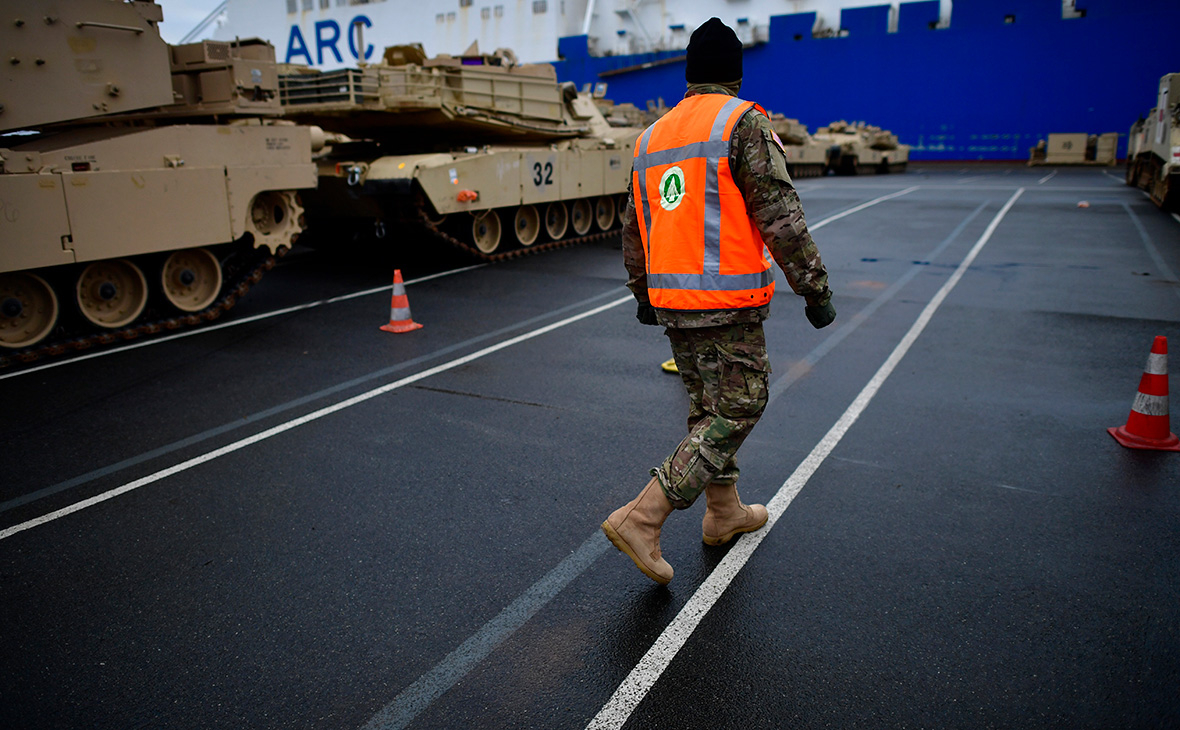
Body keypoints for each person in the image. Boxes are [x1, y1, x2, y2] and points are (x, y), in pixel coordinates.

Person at [602, 17, 836, 585]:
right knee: (740, 406)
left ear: (687, 73)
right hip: (728, 302)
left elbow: (636, 227)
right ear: (733, 74)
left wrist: (642, 293)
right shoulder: (742, 122)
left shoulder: (653, 137)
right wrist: (815, 289)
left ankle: (724, 513)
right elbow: (780, 218)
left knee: (709, 410)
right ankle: (645, 514)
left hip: (674, 303)